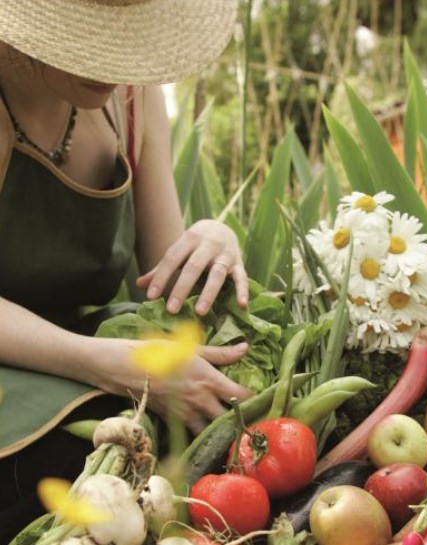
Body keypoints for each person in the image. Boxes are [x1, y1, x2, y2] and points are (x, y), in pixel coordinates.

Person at [0, 0, 251, 541]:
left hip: (84, 361)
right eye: (90, 38)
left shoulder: (134, 98)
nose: (116, 66)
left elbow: (164, 287)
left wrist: (211, 239)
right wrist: (107, 364)